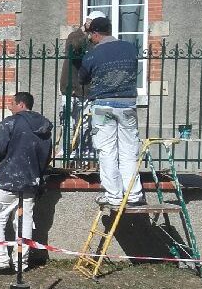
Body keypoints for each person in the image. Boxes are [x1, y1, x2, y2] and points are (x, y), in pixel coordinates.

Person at [0, 92, 53, 274]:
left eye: (12, 103)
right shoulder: (45, 126)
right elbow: (46, 156)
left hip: (8, 180)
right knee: (24, 221)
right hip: (32, 181)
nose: (10, 107)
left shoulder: (11, 122)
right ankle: (20, 262)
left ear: (21, 104)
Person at [79, 16, 145, 207]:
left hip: (103, 105)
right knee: (129, 150)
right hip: (127, 104)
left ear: (96, 33)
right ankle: (133, 194)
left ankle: (114, 195)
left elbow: (82, 77)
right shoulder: (130, 48)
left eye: (91, 35)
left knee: (107, 150)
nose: (90, 39)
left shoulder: (94, 53)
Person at [59, 11, 105, 163]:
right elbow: (73, 49)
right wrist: (86, 34)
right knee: (69, 124)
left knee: (85, 125)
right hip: (70, 88)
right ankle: (68, 154)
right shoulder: (75, 36)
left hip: (87, 90)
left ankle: (83, 154)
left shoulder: (98, 41)